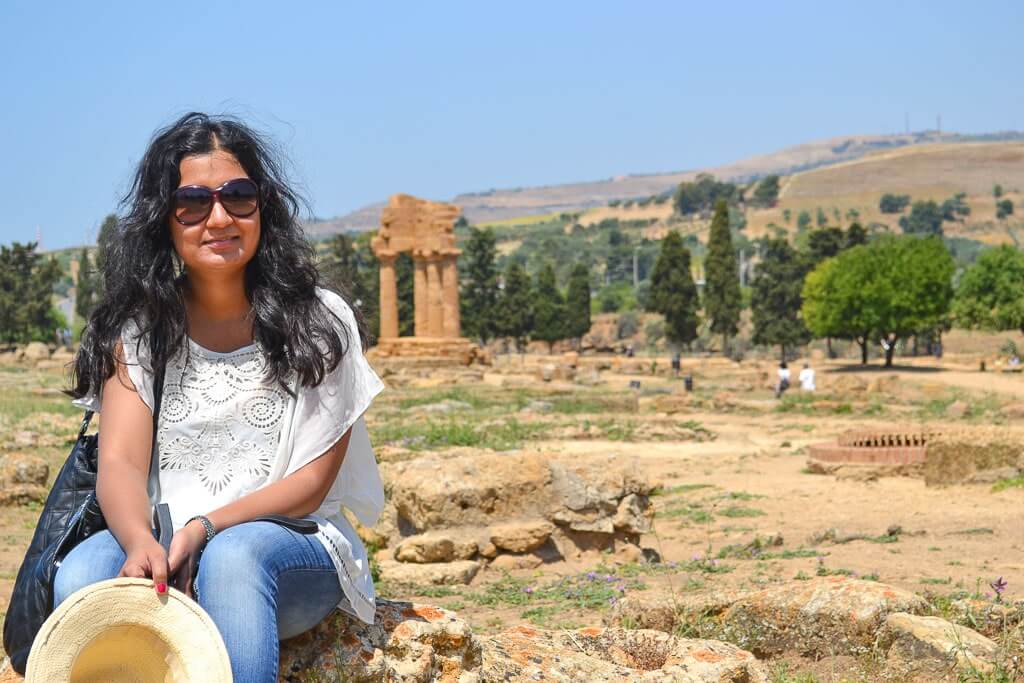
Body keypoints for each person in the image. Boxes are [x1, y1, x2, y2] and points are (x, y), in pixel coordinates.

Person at [58, 113, 385, 682]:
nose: (219, 217)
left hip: (290, 546)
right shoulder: (140, 329)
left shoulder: (320, 321)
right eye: (192, 202)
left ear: (263, 206)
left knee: (235, 560)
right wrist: (140, 541)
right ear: (165, 217)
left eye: (238, 196)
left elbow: (312, 483)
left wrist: (205, 529)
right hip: (166, 534)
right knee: (86, 572)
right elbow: (120, 462)